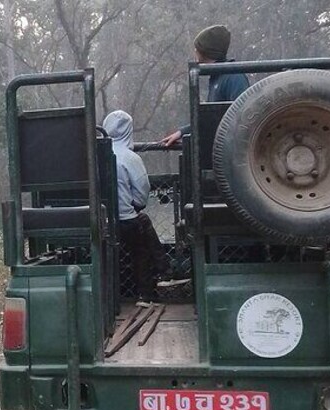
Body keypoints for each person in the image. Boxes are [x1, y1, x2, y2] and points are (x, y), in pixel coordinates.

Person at [103, 110, 167, 302]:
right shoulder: (130, 158)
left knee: (142, 226)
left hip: (100, 221)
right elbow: (141, 194)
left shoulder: (96, 155)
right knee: (141, 247)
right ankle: (148, 291)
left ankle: (165, 272)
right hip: (125, 222)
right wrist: (133, 205)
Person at [161, 24, 250, 147]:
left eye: (197, 48)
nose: (195, 52)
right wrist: (183, 132)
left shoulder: (233, 77)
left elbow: (240, 119)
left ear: (206, 51)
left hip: (231, 153)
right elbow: (212, 120)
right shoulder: (216, 77)